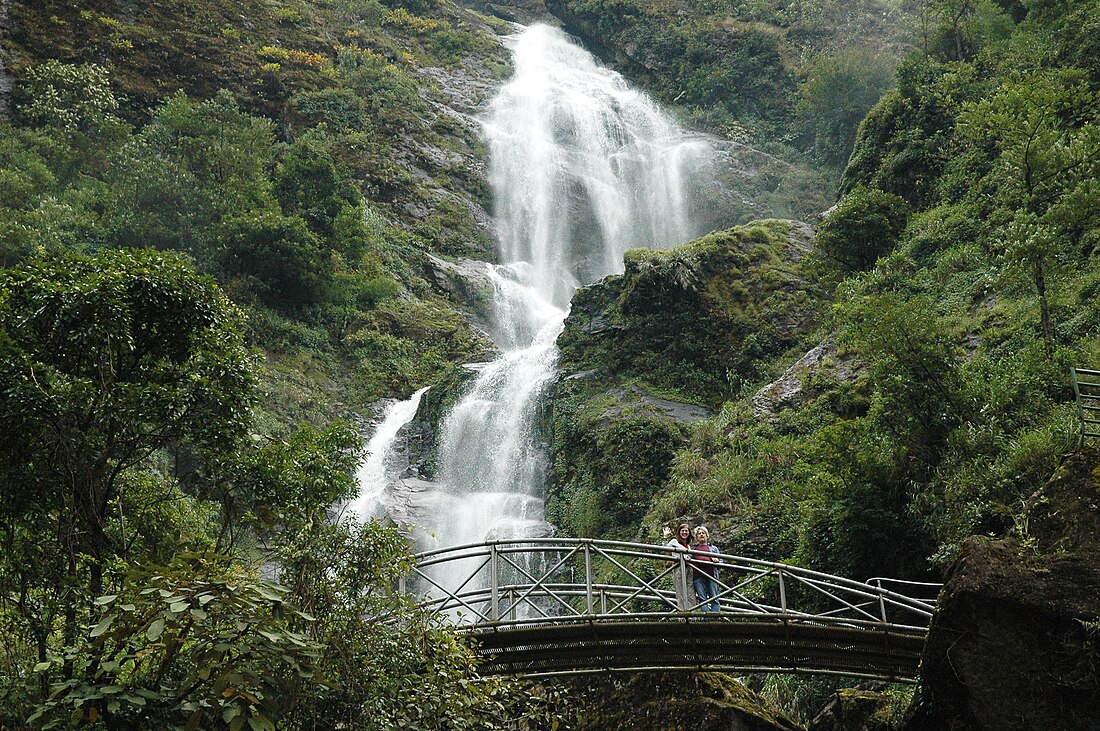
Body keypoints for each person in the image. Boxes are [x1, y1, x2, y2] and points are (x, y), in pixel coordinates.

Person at [691, 526, 721, 613]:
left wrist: (717, 561)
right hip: (698, 577)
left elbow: (721, 563)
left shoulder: (713, 549)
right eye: (699, 534)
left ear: (707, 536)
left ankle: (715, 619)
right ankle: (707, 619)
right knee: (702, 599)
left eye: (703, 533)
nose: (701, 535)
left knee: (714, 597)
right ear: (696, 537)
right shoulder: (693, 549)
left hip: (712, 576)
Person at [665, 523, 693, 611]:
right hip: (679, 568)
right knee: (680, 592)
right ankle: (682, 615)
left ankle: (693, 614)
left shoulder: (688, 546)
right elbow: (665, 548)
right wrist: (665, 537)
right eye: (682, 531)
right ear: (679, 532)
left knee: (691, 592)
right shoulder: (674, 542)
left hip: (689, 569)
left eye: (686, 531)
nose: (684, 532)